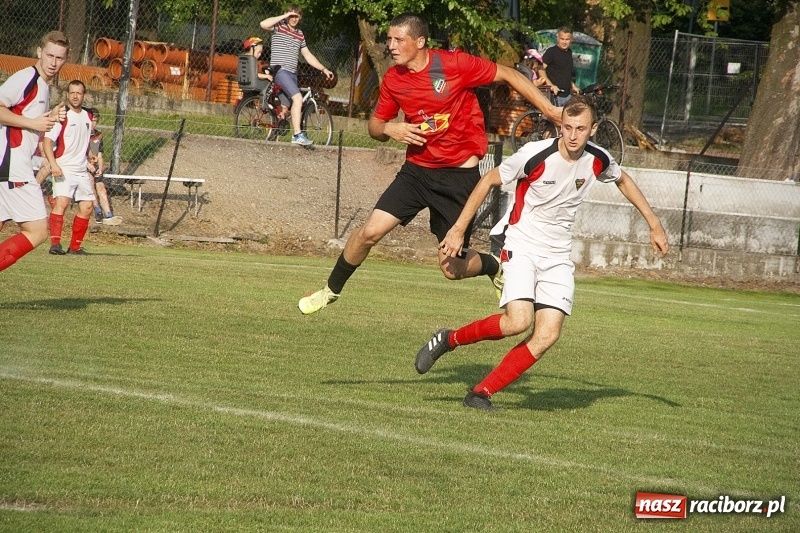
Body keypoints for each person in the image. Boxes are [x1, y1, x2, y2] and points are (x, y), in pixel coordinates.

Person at [415, 95, 669, 411]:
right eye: (567, 127)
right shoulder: (536, 155)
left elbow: (623, 180)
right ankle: (450, 339)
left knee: (548, 334)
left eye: (580, 128)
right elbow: (489, 179)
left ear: (593, 130)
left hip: (558, 256)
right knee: (517, 322)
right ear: (559, 125)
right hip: (520, 244)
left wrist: (654, 223)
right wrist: (457, 229)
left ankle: (480, 393)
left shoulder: (597, 158)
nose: (573, 135)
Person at [298, 12, 562, 315]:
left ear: (420, 41)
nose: (392, 45)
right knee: (369, 232)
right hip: (417, 173)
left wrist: (552, 112)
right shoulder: (395, 79)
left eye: (399, 39)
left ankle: (492, 265)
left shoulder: (453, 65)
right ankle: (330, 291)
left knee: (452, 269)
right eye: (389, 39)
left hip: (458, 179)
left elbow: (510, 75)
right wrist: (389, 129)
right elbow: (375, 126)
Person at [0, 31, 68, 272]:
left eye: (59, 58)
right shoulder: (27, 78)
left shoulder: (43, 87)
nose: (53, 62)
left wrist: (48, 118)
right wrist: (34, 124)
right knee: (38, 230)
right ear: (39, 52)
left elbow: (25, 115)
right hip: (12, 166)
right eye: (49, 55)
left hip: (11, 164)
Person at [259, 4, 335, 146]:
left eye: (297, 16)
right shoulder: (279, 27)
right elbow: (263, 24)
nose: (294, 19)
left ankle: (276, 133)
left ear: (300, 18)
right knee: (298, 98)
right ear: (287, 15)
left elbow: (307, 55)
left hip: (292, 73)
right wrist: (284, 16)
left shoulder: (299, 34)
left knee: (286, 108)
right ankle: (297, 135)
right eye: (291, 15)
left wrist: (323, 69)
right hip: (280, 71)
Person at [42, 80, 96, 255]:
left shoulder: (88, 116)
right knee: (62, 203)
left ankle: (75, 247)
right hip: (64, 167)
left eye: (78, 93)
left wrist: (90, 154)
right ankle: (55, 245)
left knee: (87, 207)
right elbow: (48, 141)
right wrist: (53, 164)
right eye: (72, 92)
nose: (75, 96)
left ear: (84, 95)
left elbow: (88, 139)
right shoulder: (62, 116)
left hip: (81, 170)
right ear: (67, 94)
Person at [86, 107, 121, 225]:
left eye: (95, 120)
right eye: (91, 120)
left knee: (101, 187)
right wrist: (88, 164)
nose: (93, 123)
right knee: (90, 181)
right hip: (82, 166)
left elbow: (100, 155)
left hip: (94, 166)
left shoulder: (99, 135)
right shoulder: (81, 134)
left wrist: (100, 168)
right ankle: (97, 210)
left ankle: (108, 214)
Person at [539, 27, 580, 106]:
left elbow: (565, 73)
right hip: (553, 96)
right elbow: (540, 69)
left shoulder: (569, 53)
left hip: (567, 96)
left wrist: (573, 86)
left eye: (567, 39)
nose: (564, 42)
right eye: (562, 39)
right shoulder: (551, 52)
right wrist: (551, 85)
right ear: (557, 38)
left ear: (571, 40)